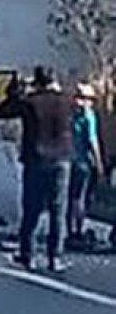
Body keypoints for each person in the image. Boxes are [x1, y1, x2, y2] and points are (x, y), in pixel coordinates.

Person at [0, 65, 74, 272]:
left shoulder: (30, 103)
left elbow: (3, 111)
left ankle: (27, 254)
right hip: (62, 160)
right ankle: (55, 257)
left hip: (36, 160)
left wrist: (17, 90)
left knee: (31, 210)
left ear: (37, 81)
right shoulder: (67, 100)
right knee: (58, 211)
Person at [68, 82, 104, 247]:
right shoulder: (88, 116)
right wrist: (99, 162)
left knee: (70, 197)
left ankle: (70, 230)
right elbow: (92, 140)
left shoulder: (69, 114)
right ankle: (79, 230)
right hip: (83, 161)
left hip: (68, 160)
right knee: (80, 198)